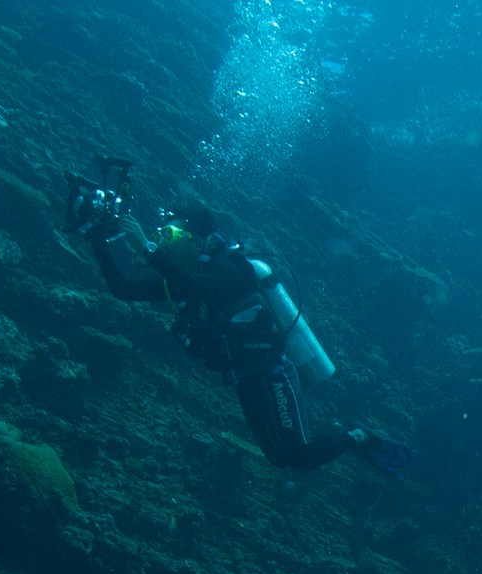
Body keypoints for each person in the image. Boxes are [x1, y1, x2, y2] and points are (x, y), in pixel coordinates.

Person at [65, 159, 413, 474]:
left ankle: (359, 436)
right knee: (280, 458)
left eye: (169, 235)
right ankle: (357, 439)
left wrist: (147, 248)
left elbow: (201, 288)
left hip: (272, 373)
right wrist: (97, 239)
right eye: (161, 237)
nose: (164, 243)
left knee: (300, 455)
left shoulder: (230, 269)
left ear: (194, 237)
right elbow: (123, 289)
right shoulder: (184, 282)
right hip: (246, 380)